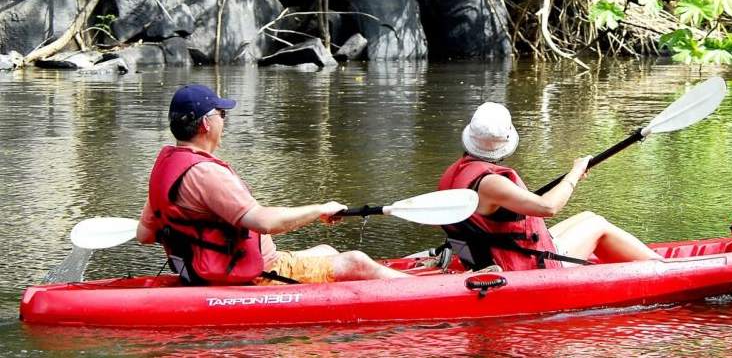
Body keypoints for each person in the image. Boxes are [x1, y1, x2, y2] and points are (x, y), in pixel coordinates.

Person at [137, 83, 407, 285]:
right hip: (255, 275)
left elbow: (145, 235)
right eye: (222, 114)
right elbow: (264, 222)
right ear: (206, 124)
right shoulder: (206, 173)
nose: (224, 121)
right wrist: (319, 209)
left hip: (203, 269)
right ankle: (430, 292)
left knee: (326, 250)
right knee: (357, 262)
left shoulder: (166, 169)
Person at [438, 101, 661, 271]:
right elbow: (548, 208)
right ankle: (664, 270)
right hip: (522, 266)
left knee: (589, 217)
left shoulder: (455, 171)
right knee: (598, 227)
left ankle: (655, 265)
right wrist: (575, 172)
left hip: (495, 253)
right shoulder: (492, 183)